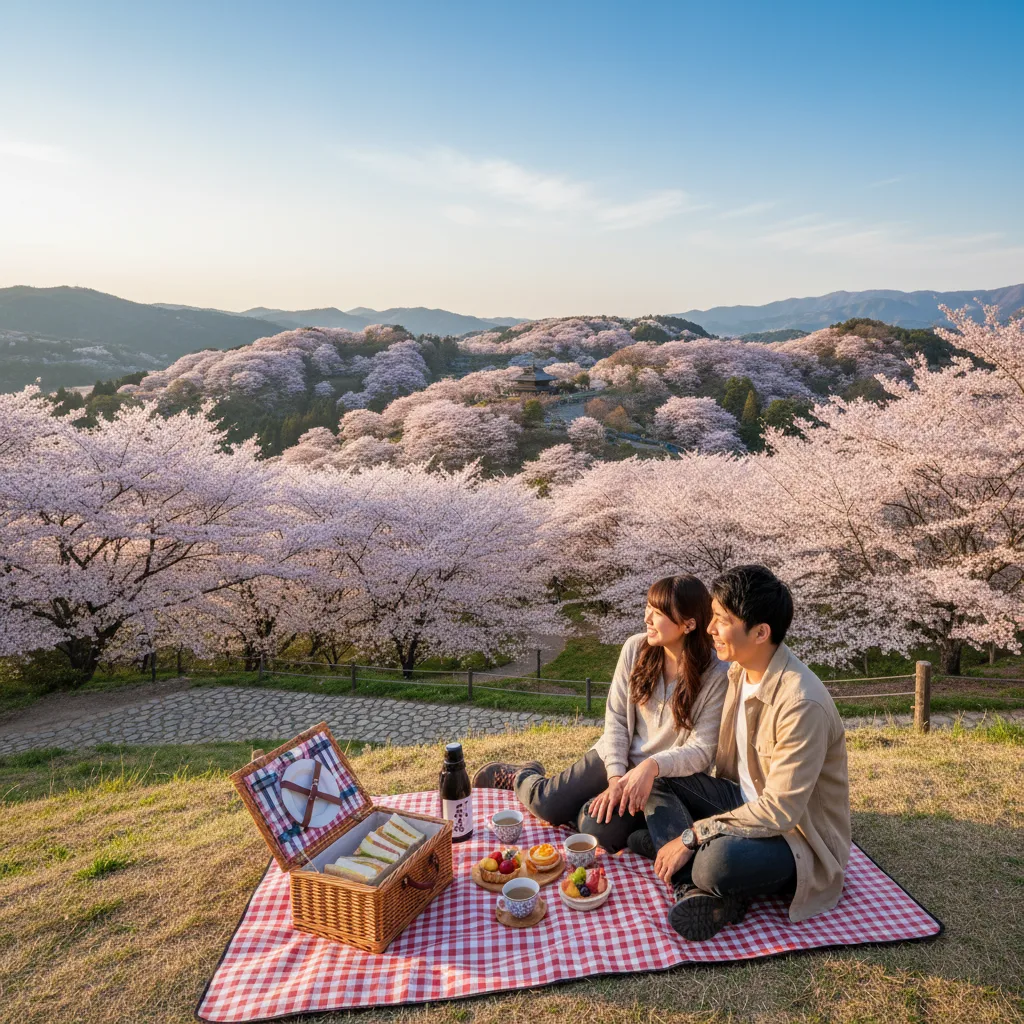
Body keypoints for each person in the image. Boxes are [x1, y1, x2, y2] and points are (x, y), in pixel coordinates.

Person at [629, 564, 851, 942]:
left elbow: (780, 811)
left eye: (721, 620)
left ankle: (701, 876)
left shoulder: (801, 703)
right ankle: (697, 890)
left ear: (761, 632)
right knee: (659, 775)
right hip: (739, 802)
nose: (711, 628)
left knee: (716, 864)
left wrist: (692, 836)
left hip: (794, 836)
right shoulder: (738, 672)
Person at [473, 574, 729, 852]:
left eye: (658, 613)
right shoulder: (636, 649)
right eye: (648, 608)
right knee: (547, 806)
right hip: (615, 754)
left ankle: (589, 808)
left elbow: (702, 749)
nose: (647, 618)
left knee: (595, 832)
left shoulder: (716, 674)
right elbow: (617, 720)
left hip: (661, 779)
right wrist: (616, 779)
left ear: (688, 624)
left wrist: (649, 767)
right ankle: (522, 775)